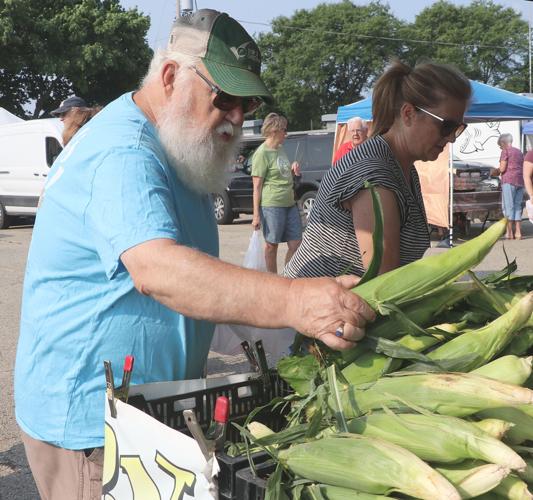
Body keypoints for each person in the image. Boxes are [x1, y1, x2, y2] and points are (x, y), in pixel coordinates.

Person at [14, 10, 374, 499]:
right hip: (91, 427)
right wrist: (295, 301)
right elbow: (158, 270)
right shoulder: (124, 152)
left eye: (245, 104)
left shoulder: (181, 148)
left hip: (146, 408)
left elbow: (191, 274)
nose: (235, 118)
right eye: (223, 98)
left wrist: (264, 328)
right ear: (169, 77)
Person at [285, 60, 471, 279]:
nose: (451, 138)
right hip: (314, 309)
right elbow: (383, 281)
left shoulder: (402, 167)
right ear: (408, 113)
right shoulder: (374, 173)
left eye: (458, 128)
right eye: (446, 126)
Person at [251, 112, 303, 273]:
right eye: (284, 130)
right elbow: (257, 186)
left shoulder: (280, 149)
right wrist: (256, 215)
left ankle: (286, 277)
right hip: (272, 205)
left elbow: (281, 169)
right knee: (271, 245)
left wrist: (293, 166)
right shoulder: (261, 153)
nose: (286, 134)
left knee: (296, 244)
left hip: (289, 203)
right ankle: (272, 280)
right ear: (274, 131)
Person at [497, 133, 525, 239]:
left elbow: (502, 169)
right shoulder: (519, 151)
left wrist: (495, 171)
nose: (500, 147)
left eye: (500, 145)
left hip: (509, 181)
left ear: (504, 143)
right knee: (517, 206)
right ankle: (518, 232)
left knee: (508, 207)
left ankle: (509, 233)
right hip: (520, 181)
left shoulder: (505, 151)